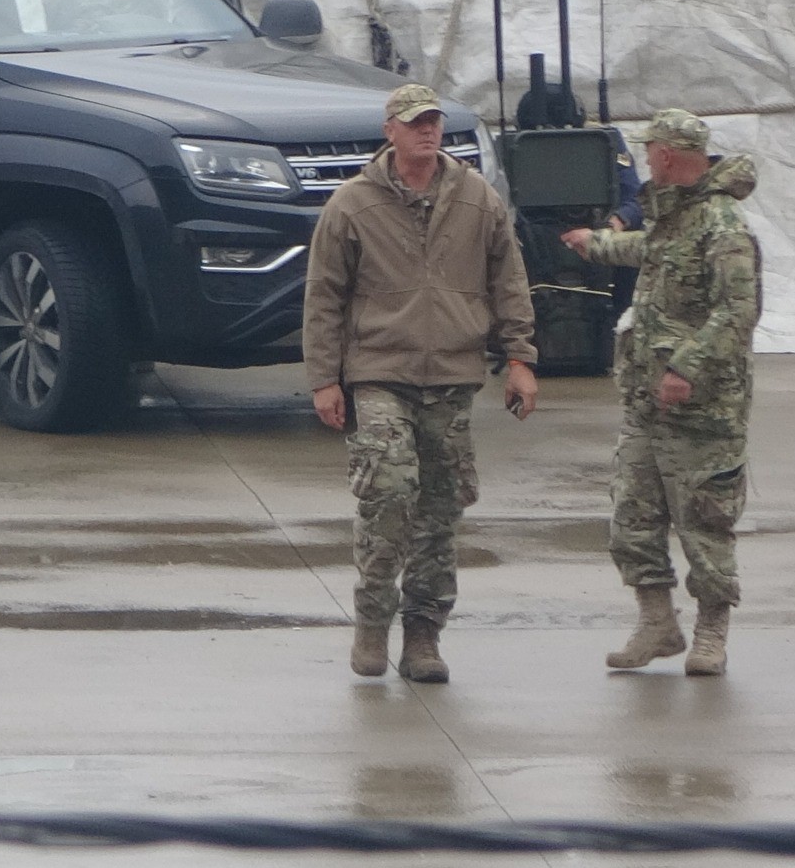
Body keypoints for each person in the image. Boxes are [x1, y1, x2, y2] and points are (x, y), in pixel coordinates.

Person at [305, 84, 539, 683]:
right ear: (390, 131)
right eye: (414, 123)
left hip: (452, 377)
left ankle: (423, 635)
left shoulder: (477, 199)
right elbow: (324, 296)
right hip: (379, 373)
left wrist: (520, 357)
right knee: (389, 494)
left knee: (440, 511)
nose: (427, 131)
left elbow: (509, 280)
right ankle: (372, 621)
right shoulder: (352, 205)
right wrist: (324, 379)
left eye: (433, 121)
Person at [561, 109, 761, 676]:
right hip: (648, 402)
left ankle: (711, 633)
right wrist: (596, 244)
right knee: (633, 516)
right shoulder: (675, 217)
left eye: (650, 151)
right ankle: (657, 623)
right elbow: (648, 249)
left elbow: (739, 310)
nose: (646, 160)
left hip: (703, 409)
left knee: (704, 521)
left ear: (667, 156)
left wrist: (687, 368)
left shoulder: (723, 225)